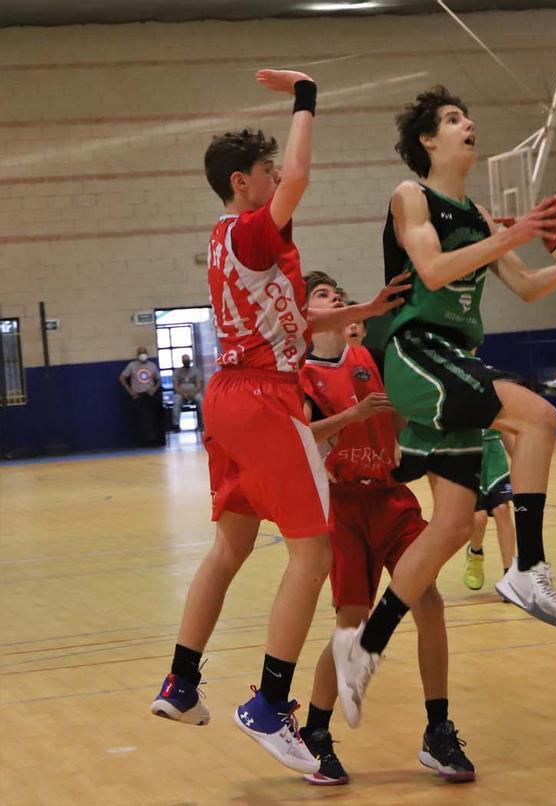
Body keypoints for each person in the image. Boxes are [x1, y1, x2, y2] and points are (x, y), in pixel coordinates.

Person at [149, 69, 409, 774]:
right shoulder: (258, 230)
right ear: (243, 182)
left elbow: (296, 316)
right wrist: (306, 97)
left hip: (227, 396)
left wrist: (362, 312)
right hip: (265, 400)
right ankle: (269, 702)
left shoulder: (228, 237)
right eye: (264, 171)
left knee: (229, 547)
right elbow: (299, 176)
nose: (276, 179)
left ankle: (181, 680)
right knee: (314, 551)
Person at [336, 86, 556, 726]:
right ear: (429, 141)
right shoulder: (412, 197)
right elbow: (430, 271)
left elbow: (530, 286)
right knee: (538, 416)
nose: (469, 124)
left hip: (456, 359)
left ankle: (363, 645)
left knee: (455, 525)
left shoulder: (481, 214)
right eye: (455, 119)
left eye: (468, 115)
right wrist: (510, 233)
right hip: (416, 355)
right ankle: (528, 566)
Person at [297, 274, 473, 786]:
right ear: (310, 317)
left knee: (430, 601)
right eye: (325, 296)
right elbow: (302, 439)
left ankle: (438, 731)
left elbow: (396, 422)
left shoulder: (368, 358)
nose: (338, 300)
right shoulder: (302, 374)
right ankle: (316, 732)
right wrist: (352, 415)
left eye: (339, 294)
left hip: (391, 497)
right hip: (344, 505)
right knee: (351, 621)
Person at [464, 428, 516, 593]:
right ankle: (475, 552)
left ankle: (510, 577)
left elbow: (505, 429)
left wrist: (521, 459)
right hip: (468, 457)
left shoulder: (498, 402)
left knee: (503, 509)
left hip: (495, 459)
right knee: (479, 519)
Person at [118, 345, 162, 446]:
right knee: (142, 419)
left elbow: (159, 379)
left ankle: (154, 441)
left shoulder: (152, 365)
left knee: (152, 418)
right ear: (137, 355)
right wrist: (130, 391)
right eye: (140, 353)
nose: (143, 355)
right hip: (138, 396)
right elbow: (122, 377)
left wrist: (154, 389)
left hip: (150, 395)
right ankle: (144, 441)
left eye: (144, 352)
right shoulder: (132, 365)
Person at [171, 353, 204, 431]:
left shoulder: (195, 371)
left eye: (187, 360)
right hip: (181, 393)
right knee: (176, 401)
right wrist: (183, 394)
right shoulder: (177, 372)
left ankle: (203, 423)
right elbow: (175, 386)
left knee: (200, 400)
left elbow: (199, 385)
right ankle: (176, 425)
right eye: (185, 360)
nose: (186, 362)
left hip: (194, 392)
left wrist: (192, 393)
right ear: (182, 361)